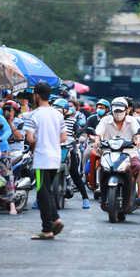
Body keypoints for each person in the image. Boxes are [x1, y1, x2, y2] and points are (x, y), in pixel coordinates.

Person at [25, 82, 67, 239]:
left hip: (42, 158)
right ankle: (55, 219)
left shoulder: (34, 115)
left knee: (43, 193)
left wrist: (39, 144)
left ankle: (47, 229)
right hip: (55, 157)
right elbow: (64, 137)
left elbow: (29, 138)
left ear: (36, 96)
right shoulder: (58, 114)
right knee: (46, 190)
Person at [94, 97, 140, 207]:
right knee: (101, 167)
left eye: (120, 111)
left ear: (126, 110)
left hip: (129, 153)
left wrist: (138, 140)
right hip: (109, 153)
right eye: (116, 111)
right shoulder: (105, 120)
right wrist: (97, 140)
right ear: (112, 110)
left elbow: (136, 133)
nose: (118, 113)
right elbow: (99, 132)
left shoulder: (132, 120)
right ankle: (101, 189)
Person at [55, 98, 91, 209]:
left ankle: (85, 198)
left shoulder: (72, 120)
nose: (59, 112)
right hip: (53, 150)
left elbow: (78, 131)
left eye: (61, 109)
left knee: (74, 173)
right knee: (44, 173)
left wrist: (80, 137)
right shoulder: (51, 120)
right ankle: (38, 199)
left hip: (68, 150)